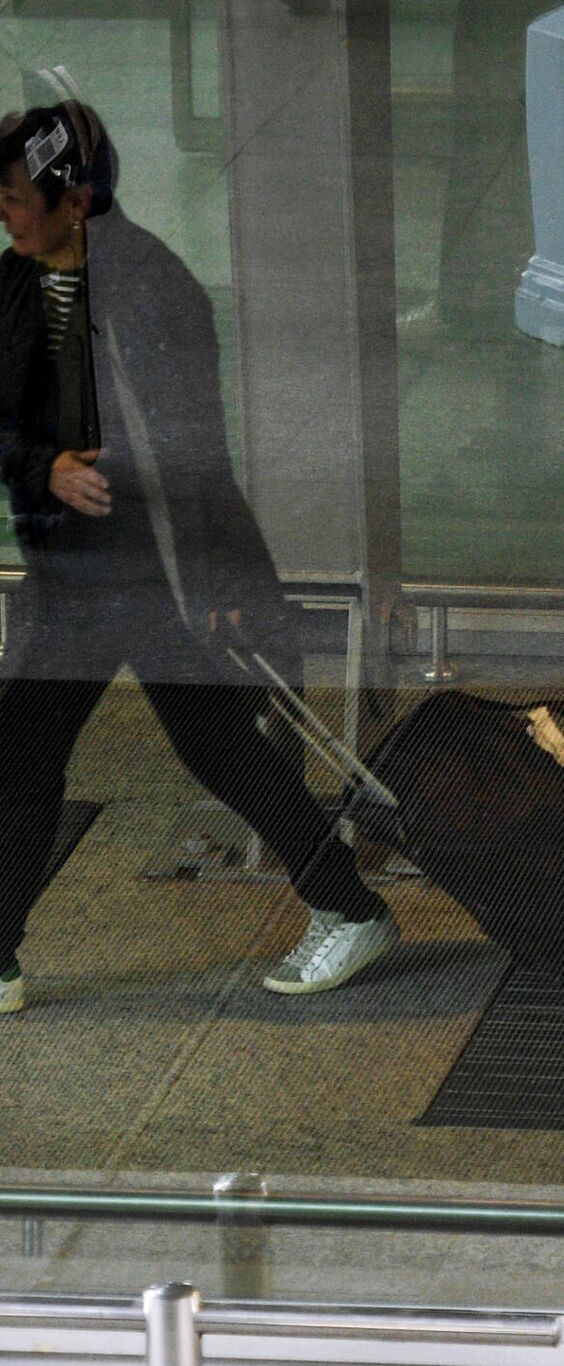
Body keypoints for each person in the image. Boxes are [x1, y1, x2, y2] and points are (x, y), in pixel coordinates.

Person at [0, 101, 398, 1017]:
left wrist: (222, 587)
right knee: (34, 751)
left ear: (77, 201)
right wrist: (41, 467)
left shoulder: (150, 294)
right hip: (73, 573)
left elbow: (195, 458)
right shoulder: (19, 285)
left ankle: (349, 906)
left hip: (160, 575)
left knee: (215, 748)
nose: (7, 216)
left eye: (19, 198)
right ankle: (347, 906)